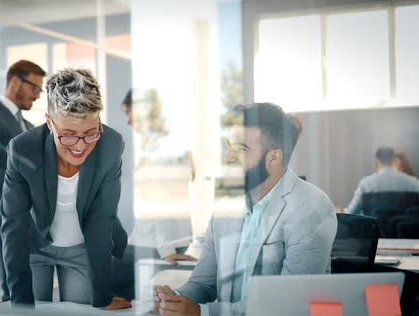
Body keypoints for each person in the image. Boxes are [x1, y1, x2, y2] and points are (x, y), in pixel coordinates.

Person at [154, 102, 337, 316]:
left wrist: (202, 312)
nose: (228, 158)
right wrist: (173, 298)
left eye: (241, 149)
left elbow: (289, 303)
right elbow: (204, 284)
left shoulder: (311, 207)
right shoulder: (225, 209)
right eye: (229, 146)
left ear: (274, 157)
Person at [0, 68, 131, 310]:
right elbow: (13, 224)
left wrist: (102, 298)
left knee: (84, 310)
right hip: (34, 248)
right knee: (29, 308)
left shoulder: (111, 145)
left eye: (90, 133)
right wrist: (18, 301)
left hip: (84, 249)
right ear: (50, 122)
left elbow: (102, 219)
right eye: (68, 135)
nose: (80, 146)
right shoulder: (22, 149)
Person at [112, 89, 197, 301]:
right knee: (129, 299)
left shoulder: (160, 148)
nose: (129, 121)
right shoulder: (167, 143)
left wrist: (166, 248)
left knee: (98, 284)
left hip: (154, 243)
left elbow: (160, 200)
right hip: (161, 239)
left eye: (130, 113)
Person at [0, 60, 46, 302]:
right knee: (14, 290)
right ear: (15, 81)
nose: (36, 95)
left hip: (30, 219)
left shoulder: (27, 125)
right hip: (5, 219)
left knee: (32, 288)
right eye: (35, 88)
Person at [346, 147, 419, 215]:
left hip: (374, 228)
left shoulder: (366, 184)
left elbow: (351, 213)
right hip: (404, 228)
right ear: (394, 161)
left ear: (376, 163)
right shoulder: (413, 183)